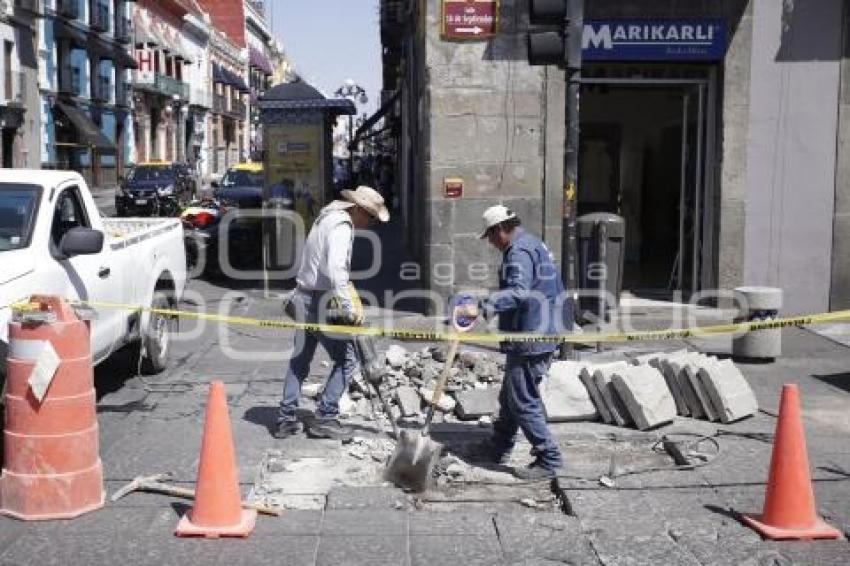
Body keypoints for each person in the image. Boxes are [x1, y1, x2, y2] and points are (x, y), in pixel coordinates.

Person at [463, 205, 571, 480]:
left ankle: (549, 458)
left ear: (500, 229)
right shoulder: (533, 243)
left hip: (533, 332)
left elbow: (520, 291)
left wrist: (485, 305)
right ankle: (499, 446)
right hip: (544, 327)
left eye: (490, 235)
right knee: (511, 395)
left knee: (522, 398)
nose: (490, 242)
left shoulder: (518, 252)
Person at [275, 186, 390, 440]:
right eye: (370, 217)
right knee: (347, 359)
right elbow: (336, 270)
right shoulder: (342, 226)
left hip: (305, 295)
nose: (370, 224)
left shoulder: (327, 216)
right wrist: (348, 309)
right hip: (322, 300)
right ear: (359, 209)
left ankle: (286, 418)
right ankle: (325, 416)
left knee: (300, 360)